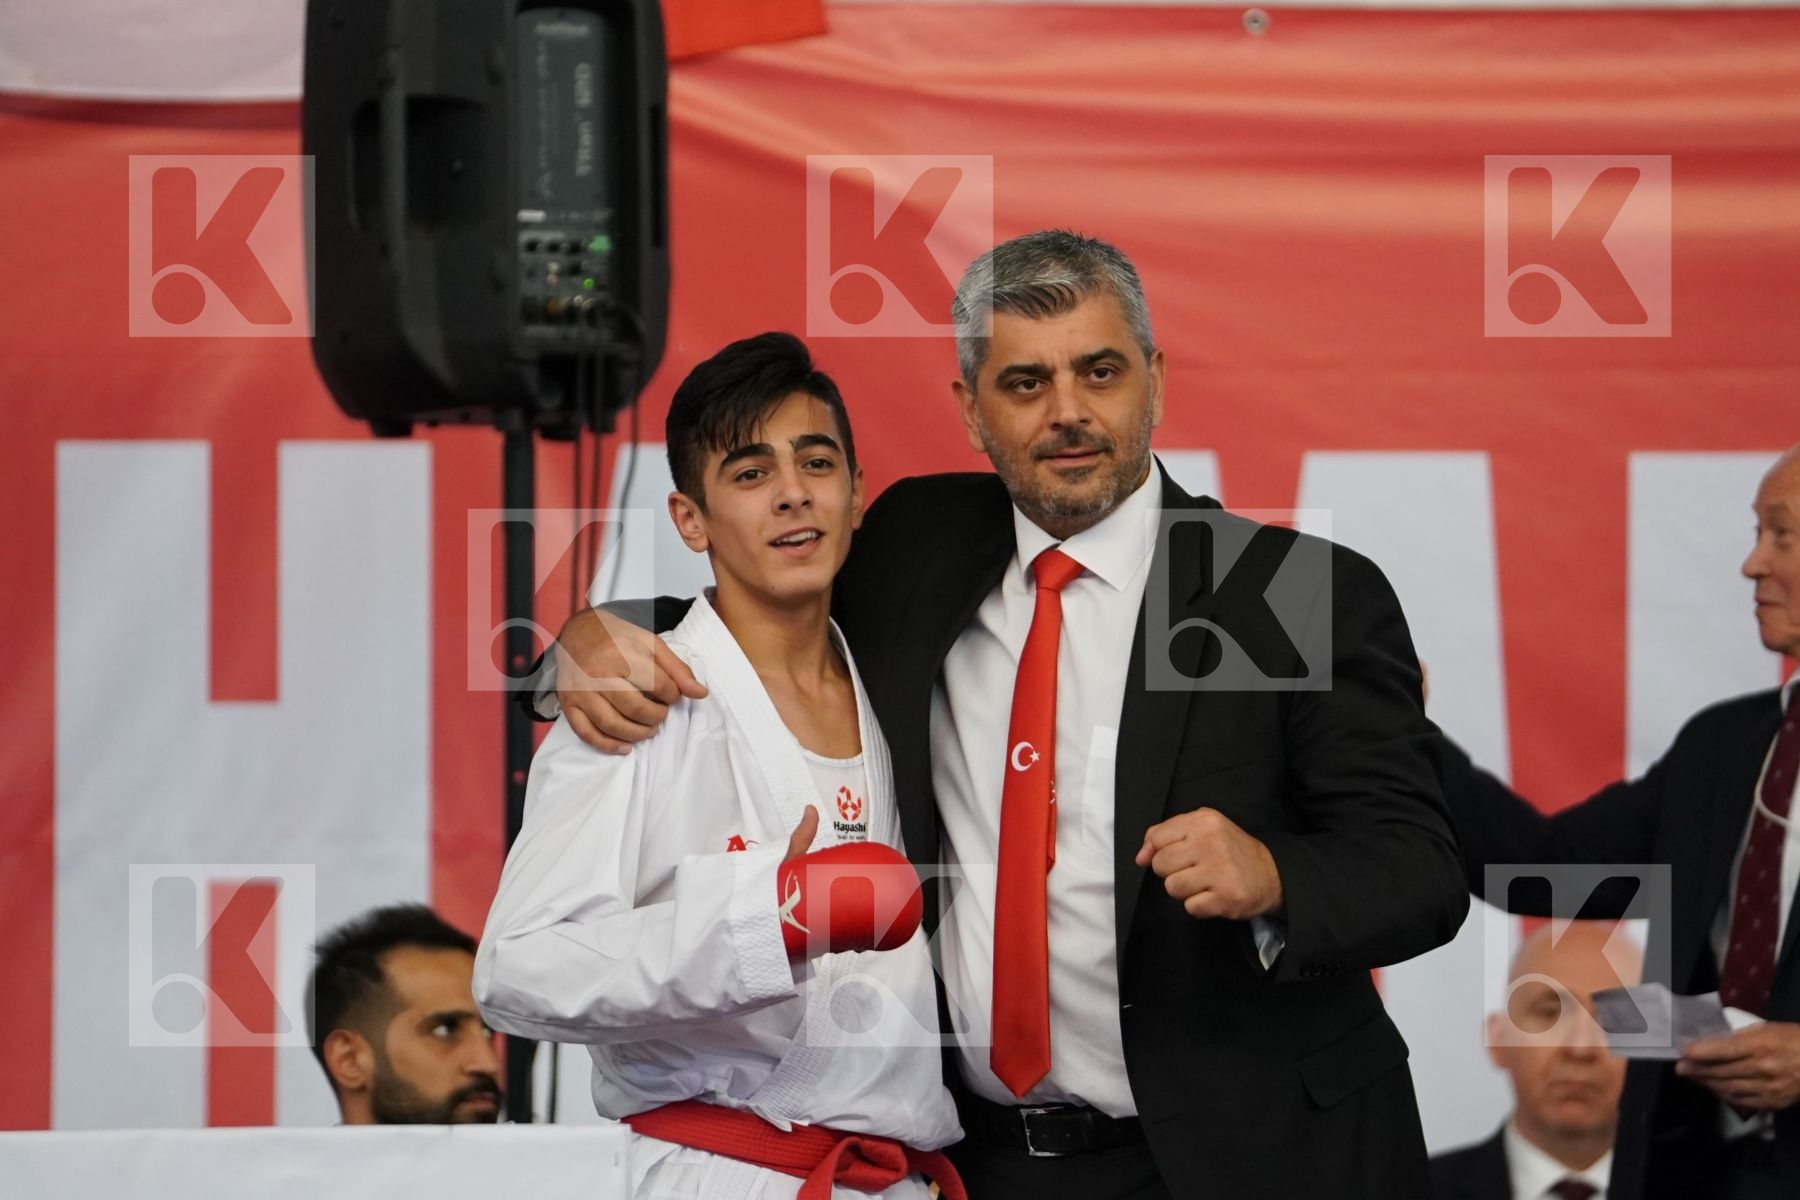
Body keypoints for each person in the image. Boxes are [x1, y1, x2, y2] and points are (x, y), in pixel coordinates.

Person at [532, 231, 1470, 1198]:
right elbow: (761, 593)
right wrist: (588, 640)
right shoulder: (913, 542)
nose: (1068, 413)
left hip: (1258, 1155)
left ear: (1153, 377)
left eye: (1099, 372)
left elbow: (1423, 868)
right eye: (1024, 384)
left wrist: (1277, 874)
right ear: (971, 410)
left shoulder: (1293, 592)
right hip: (989, 1166)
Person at [474, 332, 964, 1200]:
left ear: (856, 496)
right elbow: (516, 972)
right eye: (748, 473)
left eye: (817, 462)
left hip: (896, 1180)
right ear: (690, 519)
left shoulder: (906, 682)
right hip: (723, 1172)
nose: (791, 494)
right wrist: (757, 924)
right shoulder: (634, 698)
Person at [1433, 445, 1800, 1199]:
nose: (1751, 563)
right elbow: (1545, 865)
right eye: (1755, 532)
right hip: (1695, 1170)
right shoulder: (1723, 748)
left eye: (1781, 535)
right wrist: (1407, 737)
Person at [1430, 922, 1643, 1200]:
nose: (1580, 1048)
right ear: (1498, 1039)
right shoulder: (1406, 1191)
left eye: (1614, 1019)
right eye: (1550, 1013)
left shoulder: (1711, 1188)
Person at [305, 903, 503, 1125]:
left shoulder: (532, 1161)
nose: (488, 1063)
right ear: (349, 1059)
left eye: (488, 1032)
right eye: (445, 1029)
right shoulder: (277, 1161)